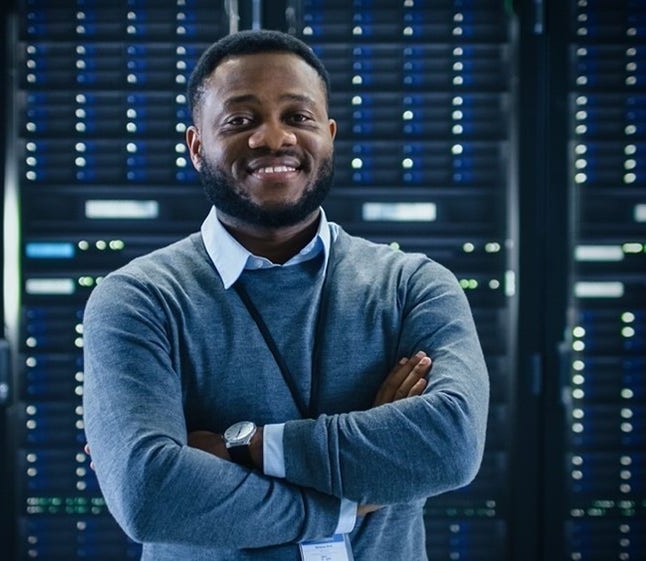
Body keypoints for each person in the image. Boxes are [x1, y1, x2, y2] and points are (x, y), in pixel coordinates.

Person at [82, 29, 489, 561]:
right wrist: (349, 495)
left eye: (298, 117)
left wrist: (243, 447)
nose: (273, 139)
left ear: (330, 135)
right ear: (196, 144)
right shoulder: (136, 301)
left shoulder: (413, 285)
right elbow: (150, 494)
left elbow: (450, 444)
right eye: (240, 120)